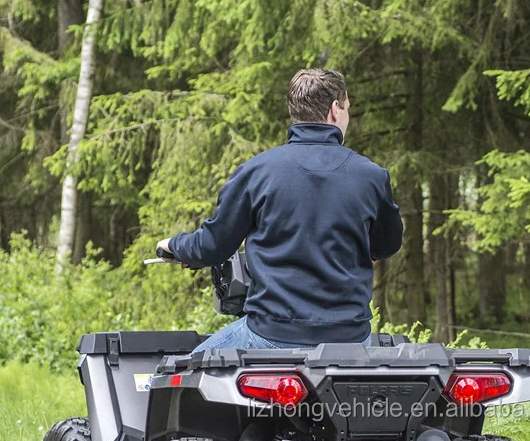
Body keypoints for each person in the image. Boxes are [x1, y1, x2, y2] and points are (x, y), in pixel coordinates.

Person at [158, 68, 403, 351]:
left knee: (169, 377)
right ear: (335, 110)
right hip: (350, 339)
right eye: (347, 108)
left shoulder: (257, 172)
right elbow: (387, 245)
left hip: (271, 335)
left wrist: (175, 245)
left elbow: (213, 246)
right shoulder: (371, 175)